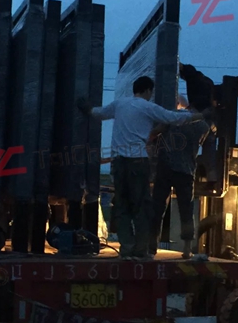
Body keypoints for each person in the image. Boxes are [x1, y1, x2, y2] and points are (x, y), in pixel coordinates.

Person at [78, 76, 208, 260]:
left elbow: (99, 113)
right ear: (147, 90)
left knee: (122, 206)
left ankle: (127, 249)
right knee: (142, 207)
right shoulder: (148, 107)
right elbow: (173, 118)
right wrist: (200, 116)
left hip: (119, 163)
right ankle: (141, 251)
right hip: (139, 162)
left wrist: (87, 109)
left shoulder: (119, 104)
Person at [150, 102, 211, 258]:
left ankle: (152, 245)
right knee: (186, 209)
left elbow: (156, 132)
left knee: (158, 207)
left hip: (165, 168)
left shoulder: (172, 117)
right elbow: (200, 142)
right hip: (186, 171)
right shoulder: (203, 126)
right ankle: (187, 248)